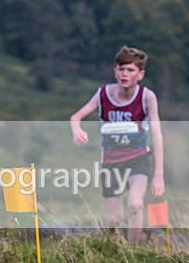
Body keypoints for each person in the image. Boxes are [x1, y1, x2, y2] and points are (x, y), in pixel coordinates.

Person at [70, 45, 165, 244]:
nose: (124, 74)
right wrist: (77, 129)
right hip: (111, 161)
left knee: (135, 204)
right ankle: (114, 250)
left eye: (130, 70)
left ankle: (132, 252)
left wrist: (158, 175)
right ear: (115, 71)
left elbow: (156, 134)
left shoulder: (147, 97)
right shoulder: (103, 95)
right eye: (121, 69)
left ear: (140, 74)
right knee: (115, 218)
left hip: (138, 158)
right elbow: (76, 116)